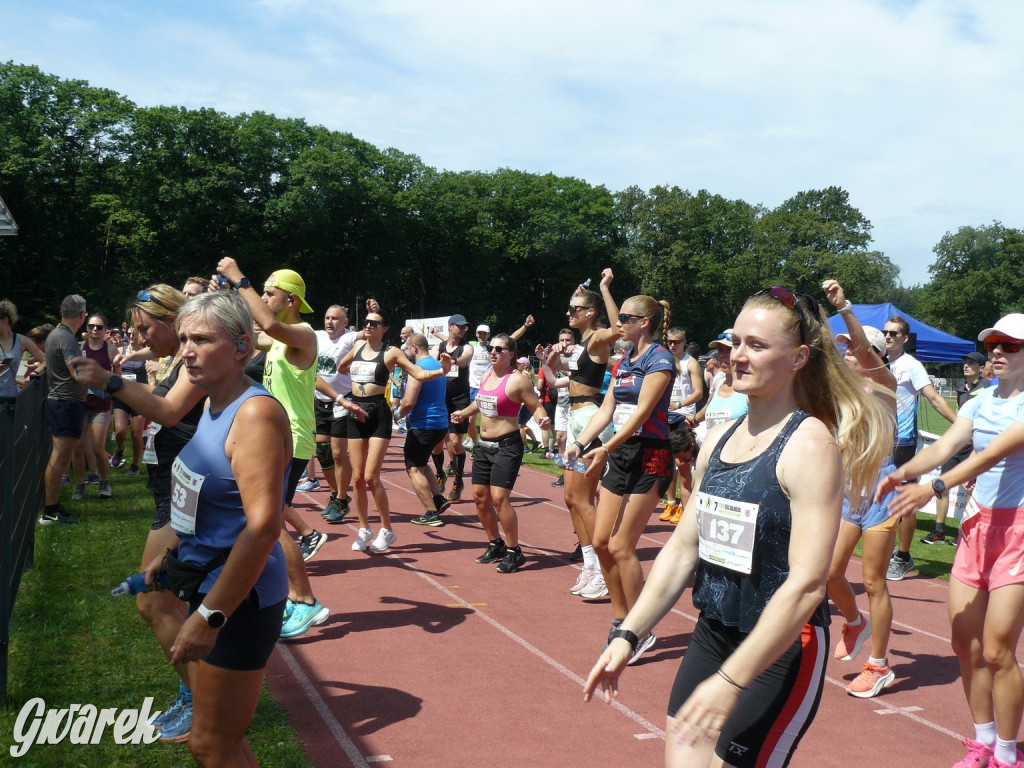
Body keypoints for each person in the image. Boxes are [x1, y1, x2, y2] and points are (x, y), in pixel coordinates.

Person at [583, 285, 892, 768]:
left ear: (798, 359)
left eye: (758, 345)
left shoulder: (809, 446)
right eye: (737, 343)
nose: (738, 357)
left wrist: (731, 682)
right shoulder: (718, 441)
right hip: (715, 631)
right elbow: (684, 548)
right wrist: (628, 633)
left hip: (783, 645)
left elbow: (808, 584)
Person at [137, 290, 289, 767]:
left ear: (242, 347)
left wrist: (212, 616)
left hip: (240, 599)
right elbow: (210, 495)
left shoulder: (254, 413)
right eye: (183, 338)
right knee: (220, 740)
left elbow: (263, 528)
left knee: (210, 745)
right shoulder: (211, 402)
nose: (186, 350)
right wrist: (179, 548)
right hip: (209, 579)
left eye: (201, 339)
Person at [876, 313, 1024, 768]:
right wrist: (901, 473)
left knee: (999, 650)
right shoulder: (978, 402)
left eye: (1009, 345)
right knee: (965, 643)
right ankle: (982, 741)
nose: (996, 351)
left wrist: (935, 487)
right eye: (993, 343)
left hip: (1017, 530)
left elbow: (992, 455)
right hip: (976, 528)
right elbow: (944, 447)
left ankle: (1006, 751)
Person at [71, 283, 208, 742]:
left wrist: (110, 381)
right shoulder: (172, 359)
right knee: (172, 601)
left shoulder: (194, 356)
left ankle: (202, 703)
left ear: (173, 319)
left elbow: (170, 412)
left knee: (153, 599)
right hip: (171, 493)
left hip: (186, 497)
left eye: (145, 327)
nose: (139, 336)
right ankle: (201, 695)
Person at [215, 259, 330, 638]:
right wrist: (227, 296)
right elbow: (250, 334)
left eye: (269, 292)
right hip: (274, 438)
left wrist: (239, 279)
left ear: (291, 299)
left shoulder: (303, 334)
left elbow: (269, 326)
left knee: (271, 521)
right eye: (261, 292)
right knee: (268, 519)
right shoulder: (281, 339)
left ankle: (306, 601)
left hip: (292, 439)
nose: (263, 297)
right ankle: (286, 598)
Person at [565, 294, 676, 661]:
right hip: (621, 451)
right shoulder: (624, 359)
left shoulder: (660, 359)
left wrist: (606, 447)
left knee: (620, 546)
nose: (619, 323)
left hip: (650, 454)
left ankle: (638, 629)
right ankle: (620, 618)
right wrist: (581, 443)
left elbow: (643, 413)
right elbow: (609, 407)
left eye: (625, 317)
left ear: (644, 322)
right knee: (600, 542)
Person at [821, 279, 901, 699]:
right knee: (831, 573)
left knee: (873, 581)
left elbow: (868, 355)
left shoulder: (884, 387)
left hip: (882, 493)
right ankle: (854, 622)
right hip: (849, 493)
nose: (847, 353)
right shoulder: (839, 394)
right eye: (845, 347)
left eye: (853, 348)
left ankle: (879, 664)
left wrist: (844, 307)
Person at [338, 305, 451, 553]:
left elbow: (418, 374)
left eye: (374, 323)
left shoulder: (392, 353)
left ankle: (387, 529)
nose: (368, 326)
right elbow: (341, 368)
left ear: (384, 329)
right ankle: (364, 528)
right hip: (356, 412)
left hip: (378, 413)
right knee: (356, 479)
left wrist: (442, 370)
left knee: (370, 477)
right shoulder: (356, 348)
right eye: (366, 322)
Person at [547, 269, 620, 599]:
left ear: (590, 313)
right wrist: (548, 360)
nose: (569, 313)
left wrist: (604, 288)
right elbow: (561, 377)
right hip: (575, 418)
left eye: (574, 309)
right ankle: (590, 564)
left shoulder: (599, 339)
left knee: (582, 497)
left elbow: (619, 328)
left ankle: (606, 569)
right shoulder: (580, 347)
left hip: (589, 419)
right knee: (570, 498)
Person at [450, 333, 550, 572]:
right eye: (491, 348)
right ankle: (496, 543)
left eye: (500, 349)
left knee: (499, 499)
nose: (493, 352)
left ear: (511, 354)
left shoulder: (518, 380)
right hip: (483, 446)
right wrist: (464, 412)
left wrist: (543, 419)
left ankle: (515, 551)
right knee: (479, 498)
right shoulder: (486, 375)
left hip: (507, 445)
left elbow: (535, 406)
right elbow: (481, 402)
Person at [883, 315, 958, 581]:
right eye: (885, 332)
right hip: (878, 442)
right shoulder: (876, 363)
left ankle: (903, 556)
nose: (888, 337)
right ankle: (885, 550)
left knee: (904, 502)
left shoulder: (910, 365)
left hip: (902, 442)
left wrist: (962, 425)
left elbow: (935, 399)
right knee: (876, 500)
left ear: (904, 338)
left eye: (894, 333)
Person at [920, 350, 988, 544]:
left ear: (981, 369)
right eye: (965, 362)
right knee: (941, 484)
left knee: (970, 490)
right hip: (956, 445)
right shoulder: (961, 387)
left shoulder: (986, 390)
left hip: (973, 447)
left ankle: (964, 532)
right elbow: (960, 413)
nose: (966, 365)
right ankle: (939, 531)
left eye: (971, 363)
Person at [39, 294, 89, 526]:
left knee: (60, 457)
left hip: (62, 401)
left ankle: (53, 506)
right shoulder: (66, 338)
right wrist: (97, 383)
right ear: (81, 315)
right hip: (65, 403)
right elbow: (75, 372)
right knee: (59, 458)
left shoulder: (55, 335)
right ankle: (50, 511)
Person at [397, 333, 452, 527]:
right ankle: (438, 499)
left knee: (413, 468)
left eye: (406, 348)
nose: (404, 353)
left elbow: (409, 401)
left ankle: (431, 513)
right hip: (439, 423)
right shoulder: (438, 365)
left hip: (424, 424)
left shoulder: (418, 369)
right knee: (422, 463)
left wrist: (396, 414)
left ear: (414, 348)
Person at [313, 304, 360, 524]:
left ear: (345, 321)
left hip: (343, 402)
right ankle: (336, 493)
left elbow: (369, 332)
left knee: (339, 454)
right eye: (327, 317)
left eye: (335, 318)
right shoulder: (317, 337)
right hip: (320, 401)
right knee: (322, 452)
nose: (330, 322)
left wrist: (375, 312)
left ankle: (341, 498)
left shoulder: (350, 338)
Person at [660, 326, 704, 525]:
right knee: (667, 461)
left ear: (684, 342)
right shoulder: (663, 361)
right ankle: (671, 502)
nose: (672, 345)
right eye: (669, 341)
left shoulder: (691, 363)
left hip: (683, 416)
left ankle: (686, 504)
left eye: (676, 341)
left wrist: (679, 404)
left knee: (682, 463)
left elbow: (699, 393)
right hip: (664, 415)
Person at [76, 313, 117, 499]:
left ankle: (104, 483)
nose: (95, 330)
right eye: (91, 326)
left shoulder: (111, 350)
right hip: (81, 404)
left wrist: (110, 389)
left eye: (99, 327)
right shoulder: (79, 348)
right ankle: (80, 485)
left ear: (105, 330)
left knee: (98, 448)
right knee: (77, 447)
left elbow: (118, 379)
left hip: (101, 405)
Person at [109, 328, 149, 475]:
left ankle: (135, 465)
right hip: (122, 394)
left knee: (136, 433)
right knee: (120, 430)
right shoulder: (120, 350)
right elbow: (114, 369)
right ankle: (120, 448)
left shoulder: (146, 352)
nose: (131, 337)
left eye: (134, 334)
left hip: (139, 396)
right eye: (129, 334)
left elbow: (151, 375)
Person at [0, 300, 45, 397]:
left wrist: (33, 374)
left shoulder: (22, 341)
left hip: (11, 399)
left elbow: (46, 360)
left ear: (5, 320)